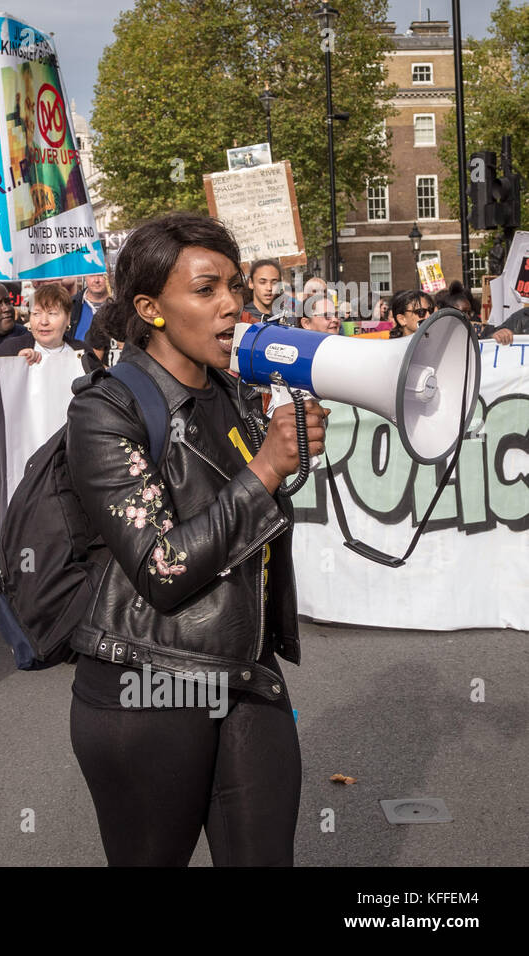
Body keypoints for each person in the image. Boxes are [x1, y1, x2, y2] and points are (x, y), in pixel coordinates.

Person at [65, 212, 326, 865]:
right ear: (151, 308)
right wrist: (266, 468)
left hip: (246, 674)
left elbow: (252, 533)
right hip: (147, 685)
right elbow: (162, 567)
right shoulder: (105, 410)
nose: (232, 305)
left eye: (233, 286)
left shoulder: (236, 394)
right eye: (206, 290)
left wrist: (288, 454)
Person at [0, 283, 90, 364]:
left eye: (52, 313)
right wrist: (16, 365)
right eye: (36, 314)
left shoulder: (84, 352)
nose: (44, 322)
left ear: (68, 318)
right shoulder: (10, 349)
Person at [70, 273, 111, 342]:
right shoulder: (71, 305)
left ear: (110, 276)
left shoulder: (123, 304)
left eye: (101, 275)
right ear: (85, 277)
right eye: (92, 275)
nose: (96, 280)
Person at [242, 259, 282, 323]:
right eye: (262, 282)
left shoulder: (289, 316)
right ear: (251, 283)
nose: (269, 288)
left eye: (274, 283)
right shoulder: (241, 317)